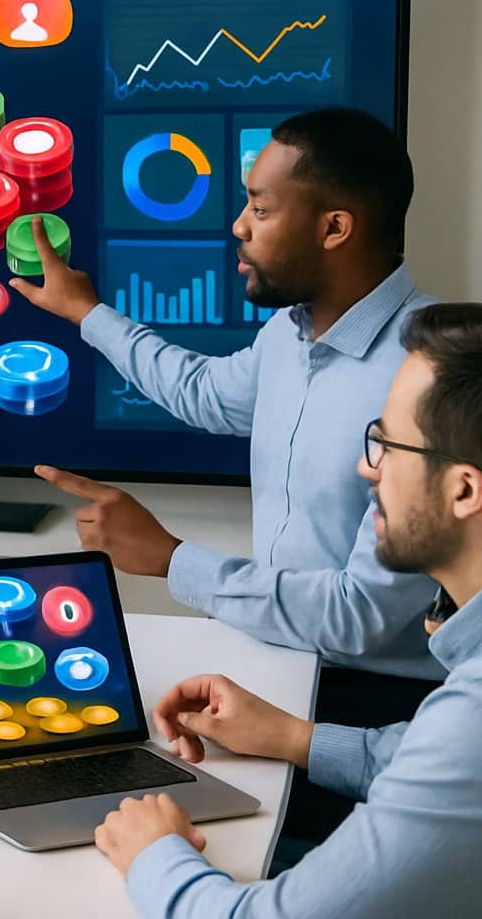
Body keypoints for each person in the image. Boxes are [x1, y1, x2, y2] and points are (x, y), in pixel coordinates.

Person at [10, 108, 441, 694]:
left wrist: (170, 558)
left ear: (335, 228)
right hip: (277, 665)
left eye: (260, 209)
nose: (239, 225)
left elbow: (361, 616)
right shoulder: (289, 332)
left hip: (377, 700)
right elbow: (204, 393)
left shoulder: (434, 373)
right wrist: (88, 314)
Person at [95, 302, 482, 917]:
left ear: (463, 489)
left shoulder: (470, 717)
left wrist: (153, 851)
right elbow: (421, 758)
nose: (366, 468)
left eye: (387, 444)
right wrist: (292, 736)